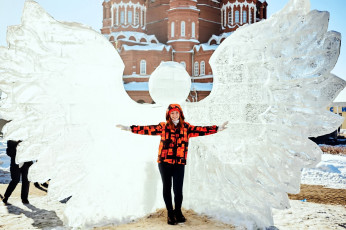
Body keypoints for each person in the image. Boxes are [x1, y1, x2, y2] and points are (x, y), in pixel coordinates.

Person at [116, 104, 228, 225]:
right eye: (172, 113)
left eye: (176, 113)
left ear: (180, 114)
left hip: (179, 163)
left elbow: (201, 130)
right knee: (167, 187)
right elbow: (146, 129)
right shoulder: (163, 127)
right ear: (169, 115)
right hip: (164, 162)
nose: (174, 115)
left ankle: (178, 212)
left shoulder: (186, 127)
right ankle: (170, 213)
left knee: (178, 189)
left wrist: (217, 128)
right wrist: (129, 128)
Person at [1, 140, 33, 205]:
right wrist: (17, 146)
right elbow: (9, 152)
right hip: (16, 164)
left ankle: (24, 198)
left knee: (26, 181)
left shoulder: (26, 139)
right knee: (15, 180)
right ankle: (6, 196)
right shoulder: (11, 140)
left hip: (26, 164)